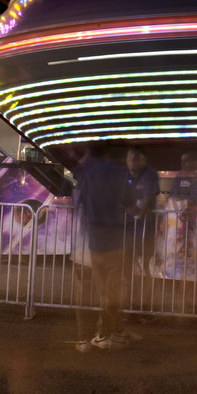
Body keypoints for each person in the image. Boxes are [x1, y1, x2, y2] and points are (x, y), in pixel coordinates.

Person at [72, 145, 136, 352]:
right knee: (113, 289)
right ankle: (106, 333)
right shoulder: (121, 175)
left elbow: (78, 202)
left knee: (95, 290)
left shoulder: (88, 173)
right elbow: (130, 203)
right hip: (115, 240)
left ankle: (91, 336)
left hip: (93, 241)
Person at [126, 146, 161, 275]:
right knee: (129, 257)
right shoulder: (125, 174)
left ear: (144, 160)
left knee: (146, 258)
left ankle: (145, 285)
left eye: (135, 159)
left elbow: (149, 196)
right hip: (128, 227)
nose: (131, 162)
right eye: (129, 158)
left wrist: (138, 209)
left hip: (146, 226)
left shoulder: (150, 174)